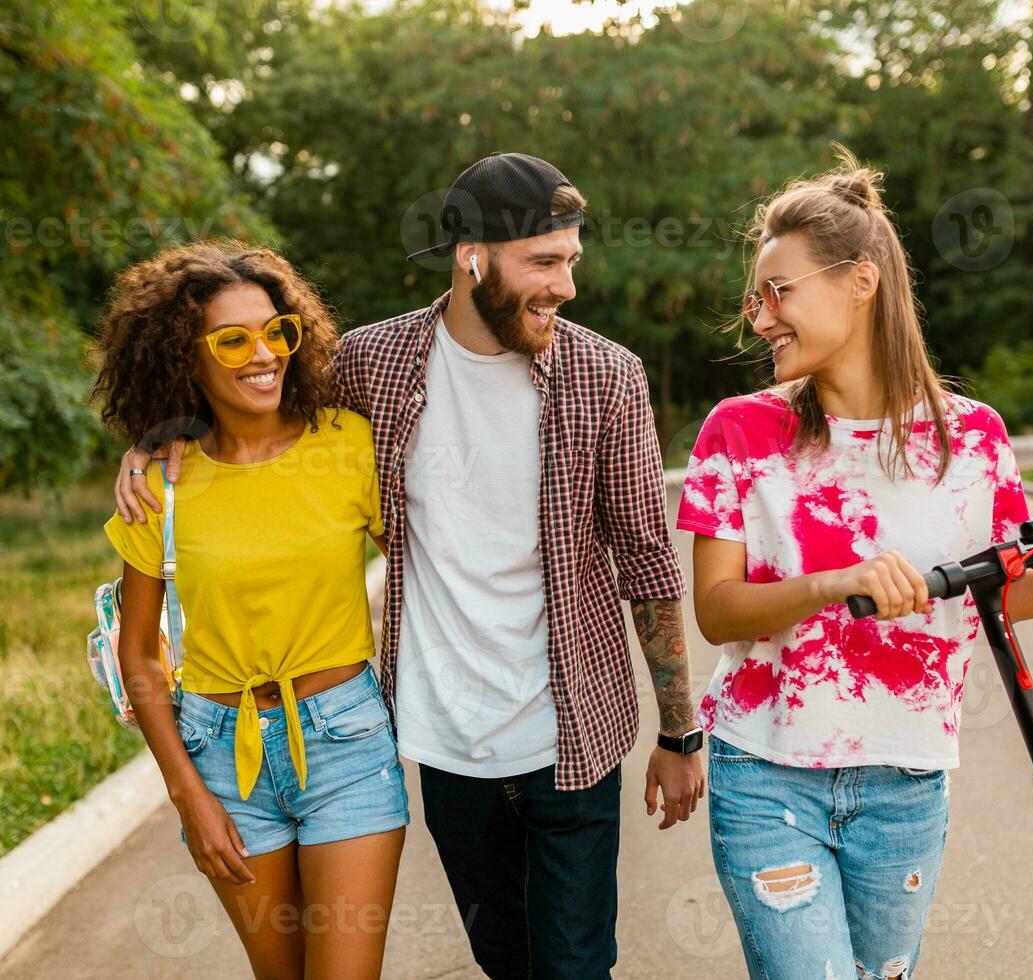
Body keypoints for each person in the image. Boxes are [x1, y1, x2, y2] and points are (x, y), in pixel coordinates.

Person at [114, 153, 705, 979]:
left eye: (572, 259)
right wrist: (156, 437)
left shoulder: (605, 375)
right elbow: (251, 413)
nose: (566, 284)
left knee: (574, 967)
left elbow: (648, 559)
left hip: (574, 729)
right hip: (446, 739)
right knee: (503, 957)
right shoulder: (370, 365)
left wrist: (680, 729)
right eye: (543, 260)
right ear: (471, 257)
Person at [677, 148, 1033, 980]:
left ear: (860, 282)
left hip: (907, 783)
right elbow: (716, 609)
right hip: (769, 776)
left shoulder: (974, 438)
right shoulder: (740, 433)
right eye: (758, 298)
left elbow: (995, 597)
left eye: (778, 292)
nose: (760, 318)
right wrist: (838, 581)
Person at [95, 241, 407, 980]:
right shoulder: (160, 483)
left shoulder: (347, 445)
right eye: (233, 339)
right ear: (184, 357)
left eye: (278, 331)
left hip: (344, 744)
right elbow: (137, 651)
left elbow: (436, 569)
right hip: (217, 758)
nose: (263, 353)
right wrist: (187, 796)